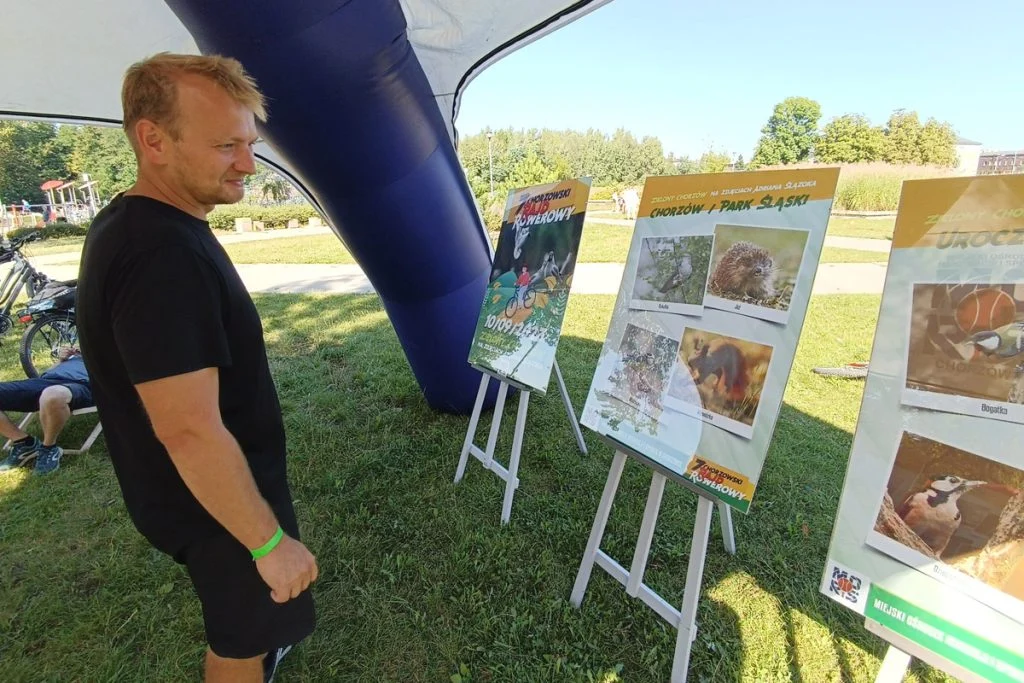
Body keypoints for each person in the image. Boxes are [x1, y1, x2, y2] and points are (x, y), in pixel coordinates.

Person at [75, 53, 317, 683]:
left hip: (213, 490)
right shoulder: (159, 253)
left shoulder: (142, 222)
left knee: (252, 631)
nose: (247, 164)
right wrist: (268, 544)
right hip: (215, 506)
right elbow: (189, 430)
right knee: (242, 641)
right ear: (153, 140)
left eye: (250, 143)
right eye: (225, 145)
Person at [0, 347, 92, 475]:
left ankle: (49, 447)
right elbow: (48, 372)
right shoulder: (78, 352)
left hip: (83, 384)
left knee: (51, 395)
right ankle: (23, 442)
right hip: (44, 381)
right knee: (49, 392)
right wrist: (62, 360)